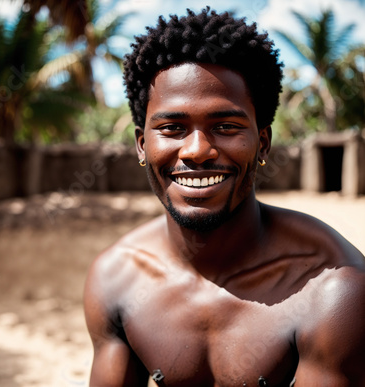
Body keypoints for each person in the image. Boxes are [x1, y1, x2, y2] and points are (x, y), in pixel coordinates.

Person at [83, 7, 365, 387]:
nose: (197, 150)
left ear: (262, 142)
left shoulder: (334, 290)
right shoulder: (117, 278)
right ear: (141, 145)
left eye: (225, 126)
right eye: (172, 127)